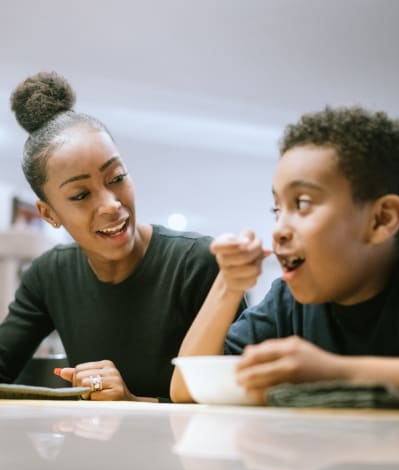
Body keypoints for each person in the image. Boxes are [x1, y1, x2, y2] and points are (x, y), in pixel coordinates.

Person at [170, 106, 399, 410]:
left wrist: (338, 373)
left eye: (301, 204)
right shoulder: (286, 304)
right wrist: (228, 285)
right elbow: (186, 389)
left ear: (381, 219)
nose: (278, 230)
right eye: (277, 209)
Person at [0, 71, 244, 402]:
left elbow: (243, 396)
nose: (111, 205)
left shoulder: (199, 264)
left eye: (116, 177)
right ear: (49, 214)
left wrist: (133, 402)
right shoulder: (48, 276)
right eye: (80, 195)